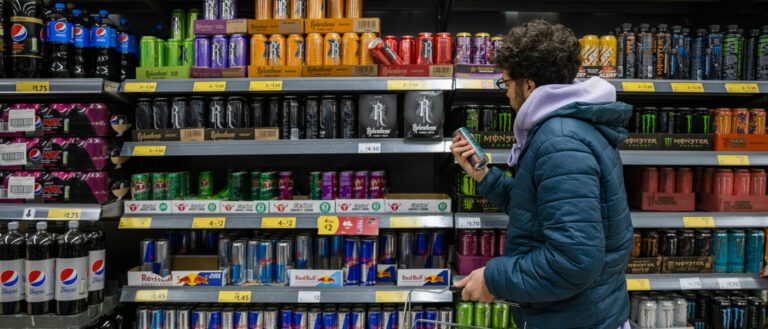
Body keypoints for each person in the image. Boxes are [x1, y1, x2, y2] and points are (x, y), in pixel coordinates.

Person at [452, 20, 634, 329]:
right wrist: (485, 176)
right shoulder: (567, 127)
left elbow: (573, 261)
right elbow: (541, 208)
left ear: (529, 86)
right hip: (580, 314)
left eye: (507, 83)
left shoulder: (560, 141)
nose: (507, 93)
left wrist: (493, 279)